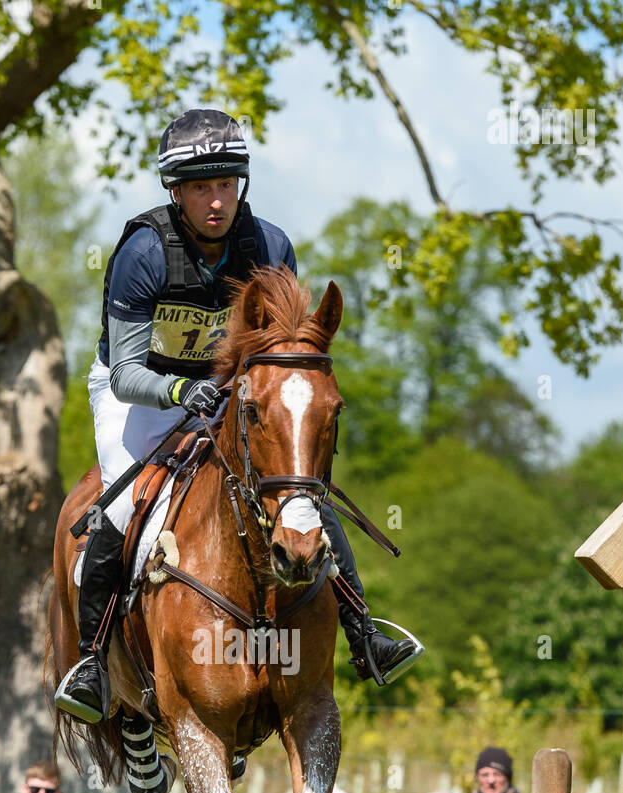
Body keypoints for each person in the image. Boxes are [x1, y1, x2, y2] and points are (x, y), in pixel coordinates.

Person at [54, 107, 421, 726]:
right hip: (141, 392)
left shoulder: (269, 247)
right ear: (176, 192)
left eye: (226, 184)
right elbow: (125, 372)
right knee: (121, 507)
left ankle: (363, 630)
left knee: (301, 494)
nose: (216, 201)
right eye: (201, 187)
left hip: (232, 390)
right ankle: (93, 663)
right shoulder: (143, 252)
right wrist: (178, 395)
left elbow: (283, 352)